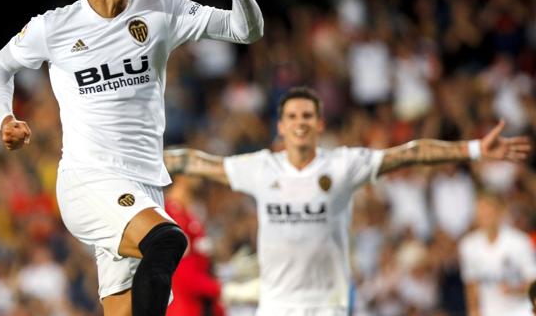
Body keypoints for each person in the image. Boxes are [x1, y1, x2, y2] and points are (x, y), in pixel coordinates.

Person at [0, 0, 263, 316]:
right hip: (89, 178)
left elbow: (245, 31)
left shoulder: (160, 7)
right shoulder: (55, 26)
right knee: (167, 240)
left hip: (146, 185)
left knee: (127, 307)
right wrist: (6, 118)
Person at [164, 86, 532, 316]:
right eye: (291, 116)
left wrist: (473, 149)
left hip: (329, 305)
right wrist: (130, 155)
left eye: (307, 115)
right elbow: (193, 162)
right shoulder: (260, 168)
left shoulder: (344, 164)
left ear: (320, 123)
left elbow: (410, 154)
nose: (300, 122)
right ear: (280, 126)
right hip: (276, 305)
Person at [458, 193, 536, 316]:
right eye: (481, 211)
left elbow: (533, 283)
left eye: (489, 210)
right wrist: (473, 311)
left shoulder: (520, 241)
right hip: (488, 311)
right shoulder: (468, 245)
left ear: (500, 211)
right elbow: (471, 284)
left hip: (520, 310)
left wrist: (514, 290)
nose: (484, 215)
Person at [165, 174, 224, 316]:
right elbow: (181, 273)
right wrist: (220, 288)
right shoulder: (171, 216)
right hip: (181, 308)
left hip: (198, 304)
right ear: (180, 176)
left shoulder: (186, 214)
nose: (199, 172)